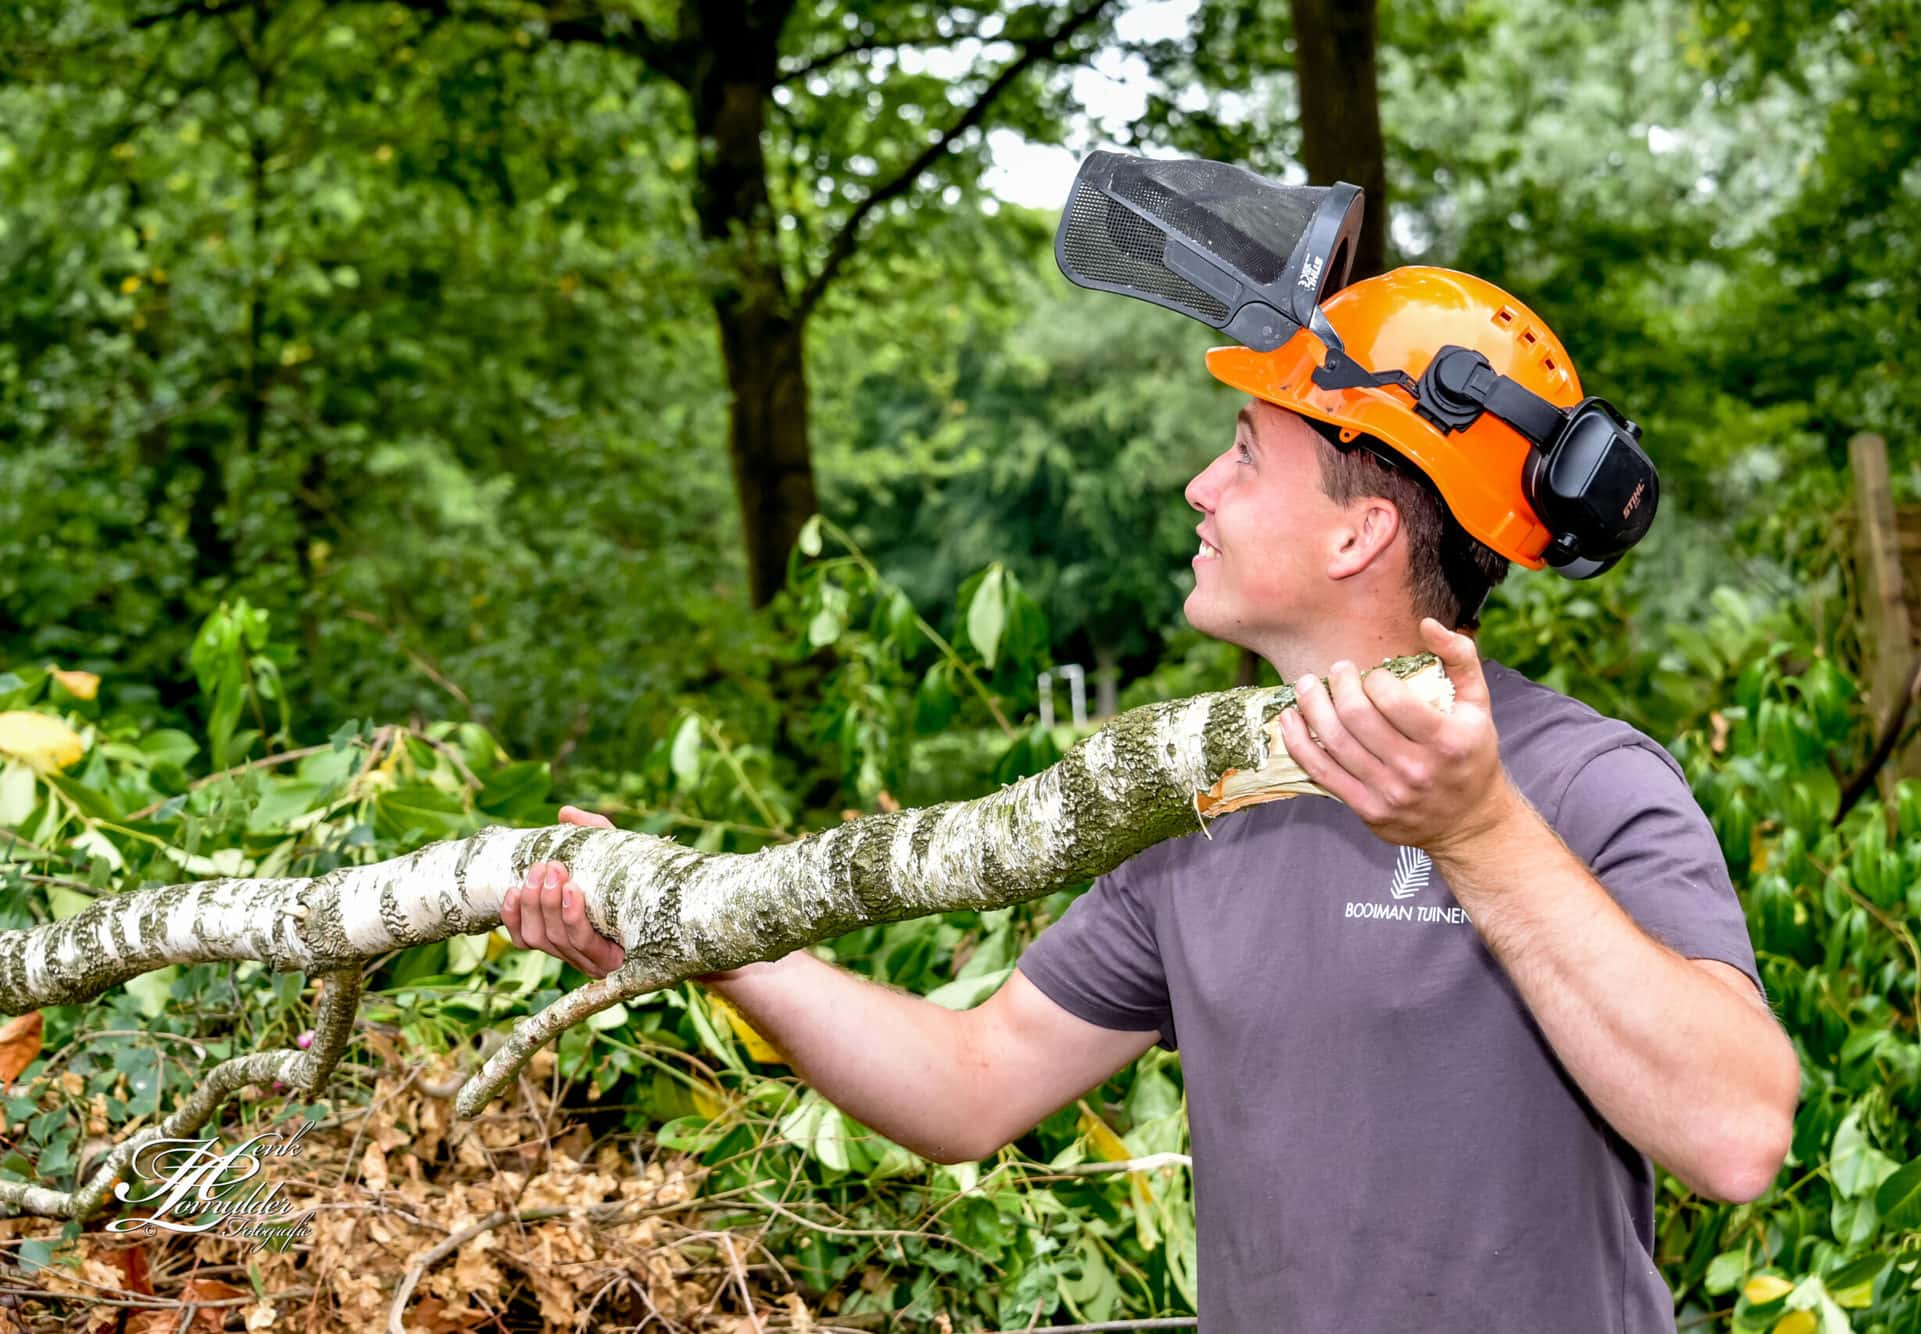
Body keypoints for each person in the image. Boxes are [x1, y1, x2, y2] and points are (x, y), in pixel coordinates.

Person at [500, 266, 1800, 1331]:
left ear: (1360, 536)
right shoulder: (1207, 812)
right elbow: (972, 1083)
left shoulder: (1584, 782)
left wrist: (1475, 830)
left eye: (1245, 452)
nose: (1201, 485)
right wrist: (699, 939)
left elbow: (1738, 1134)